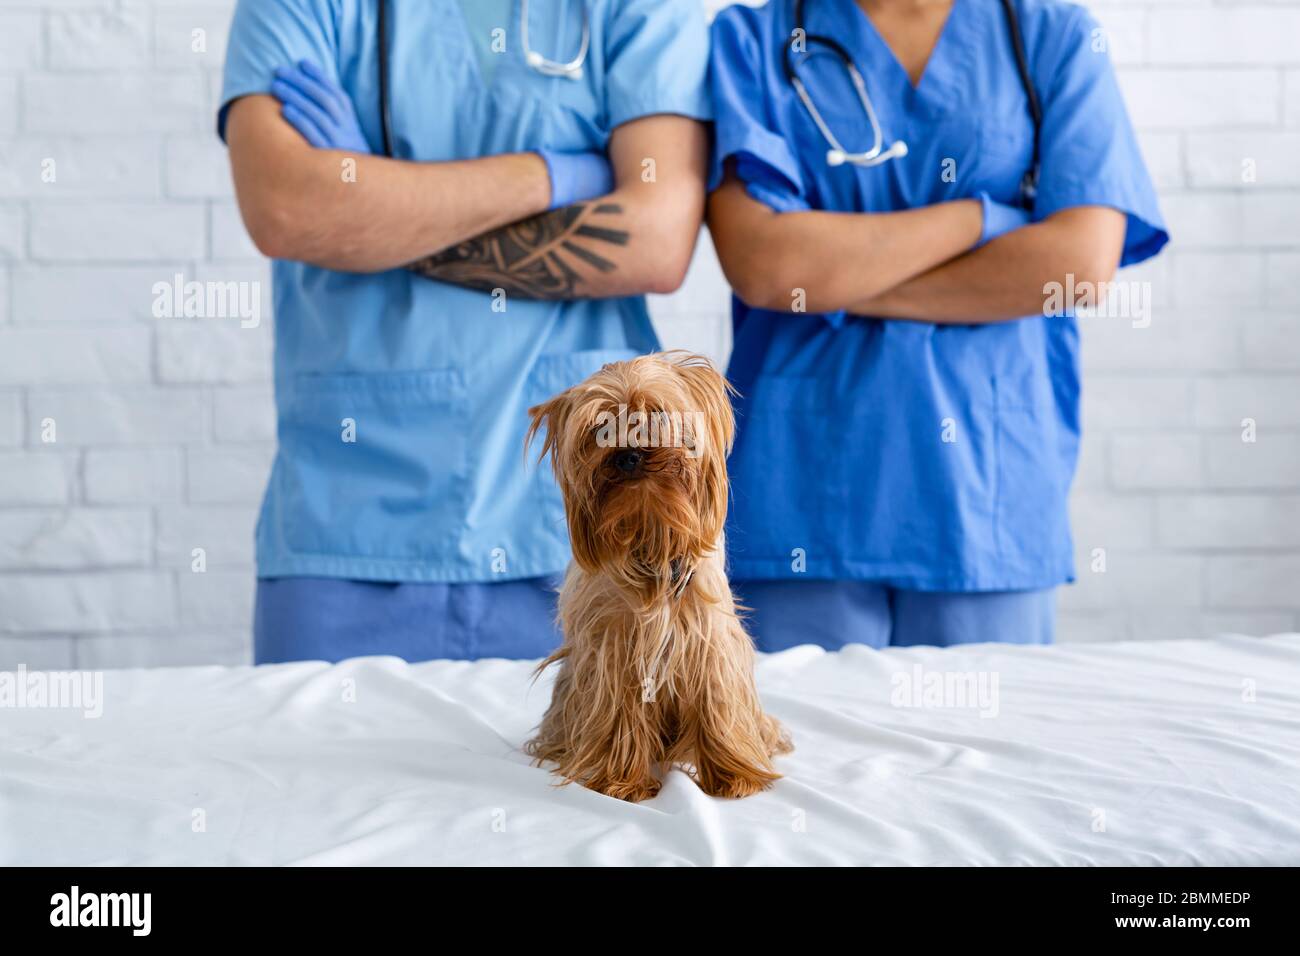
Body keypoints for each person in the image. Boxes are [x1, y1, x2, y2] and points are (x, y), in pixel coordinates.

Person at [218, 0, 711, 663]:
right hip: (347, 526)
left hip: (585, 528)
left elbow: (654, 240)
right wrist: (559, 174)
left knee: (597, 763)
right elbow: (288, 208)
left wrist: (379, 215)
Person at [705, 0, 1168, 650]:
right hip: (801, 500)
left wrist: (836, 279)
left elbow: (1079, 266)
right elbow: (767, 265)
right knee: (792, 748)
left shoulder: (1052, 36)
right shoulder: (753, 38)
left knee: (990, 745)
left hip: (986, 505)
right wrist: (982, 219)